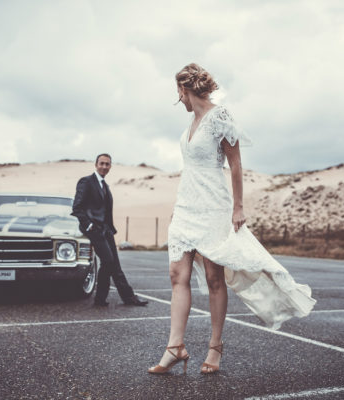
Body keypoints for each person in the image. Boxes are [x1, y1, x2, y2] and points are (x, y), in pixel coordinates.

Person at [148, 63, 316, 375]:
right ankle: (175, 346)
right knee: (176, 275)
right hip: (186, 206)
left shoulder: (220, 116)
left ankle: (215, 347)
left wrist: (238, 207)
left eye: (179, 95)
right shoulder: (191, 124)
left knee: (214, 277)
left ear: (186, 90)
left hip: (214, 207)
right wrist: (178, 205)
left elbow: (236, 164)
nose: (179, 101)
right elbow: (191, 169)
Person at [72, 154, 148, 307]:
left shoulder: (105, 185)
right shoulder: (86, 182)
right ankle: (100, 299)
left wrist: (107, 228)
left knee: (115, 265)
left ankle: (128, 298)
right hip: (94, 229)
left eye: (107, 164)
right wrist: (89, 226)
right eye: (102, 163)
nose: (104, 167)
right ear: (96, 164)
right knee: (107, 261)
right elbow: (77, 208)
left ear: (110, 166)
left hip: (105, 229)